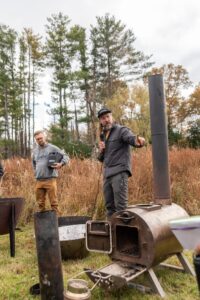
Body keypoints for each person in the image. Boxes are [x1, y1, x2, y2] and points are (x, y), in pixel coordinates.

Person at [97, 107, 145, 218]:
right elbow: (101, 159)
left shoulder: (121, 130)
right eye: (103, 118)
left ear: (112, 117)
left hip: (119, 172)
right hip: (107, 174)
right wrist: (101, 150)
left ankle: (123, 234)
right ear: (100, 121)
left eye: (108, 116)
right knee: (109, 207)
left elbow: (131, 138)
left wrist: (139, 141)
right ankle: (111, 233)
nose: (106, 120)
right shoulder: (103, 135)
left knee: (121, 208)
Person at [32, 130, 69, 214]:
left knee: (54, 203)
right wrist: (36, 172)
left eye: (41, 138)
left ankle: (56, 223)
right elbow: (34, 163)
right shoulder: (35, 151)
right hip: (38, 180)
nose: (39, 140)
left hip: (50, 179)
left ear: (44, 137)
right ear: (35, 140)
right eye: (37, 139)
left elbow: (65, 156)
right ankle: (43, 225)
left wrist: (61, 164)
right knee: (40, 204)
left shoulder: (52, 147)